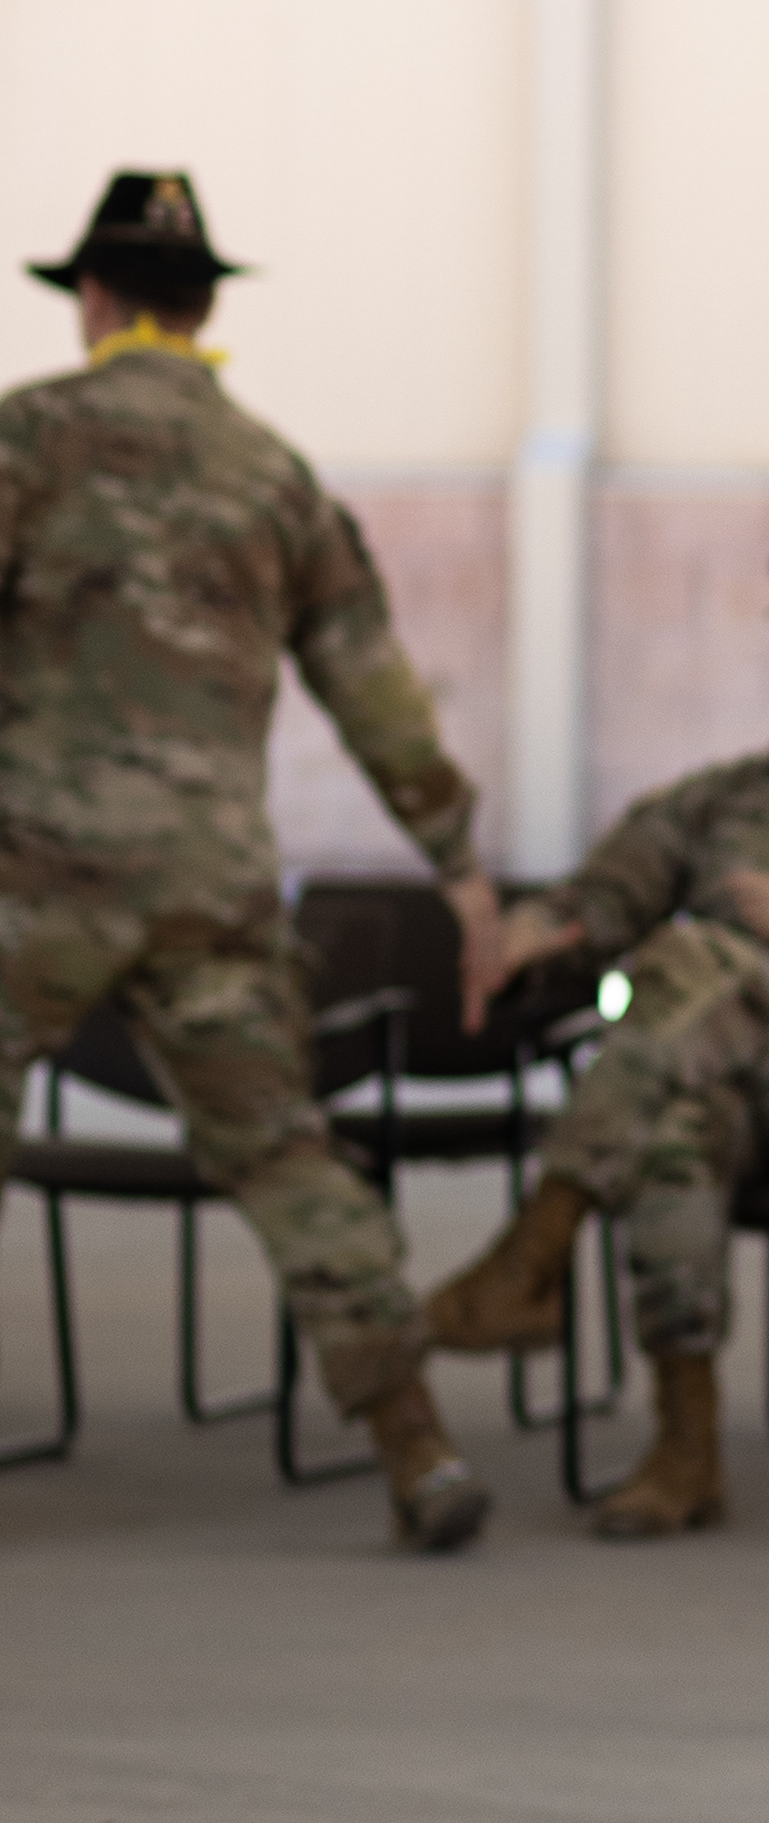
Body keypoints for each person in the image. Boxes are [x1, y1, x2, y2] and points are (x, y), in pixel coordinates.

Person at [0, 172, 501, 1549]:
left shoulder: (28, 435)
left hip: (34, 876)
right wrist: (462, 867)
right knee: (285, 1157)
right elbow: (374, 691)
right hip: (209, 886)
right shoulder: (272, 473)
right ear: (202, 306)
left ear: (93, 298)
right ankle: (419, 1450)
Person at [424, 534, 769, 1537]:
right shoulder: (724, 798)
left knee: (704, 958)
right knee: (676, 1125)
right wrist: (537, 930)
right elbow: (606, 894)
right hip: (726, 1078)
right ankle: (686, 1446)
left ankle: (536, 1247)